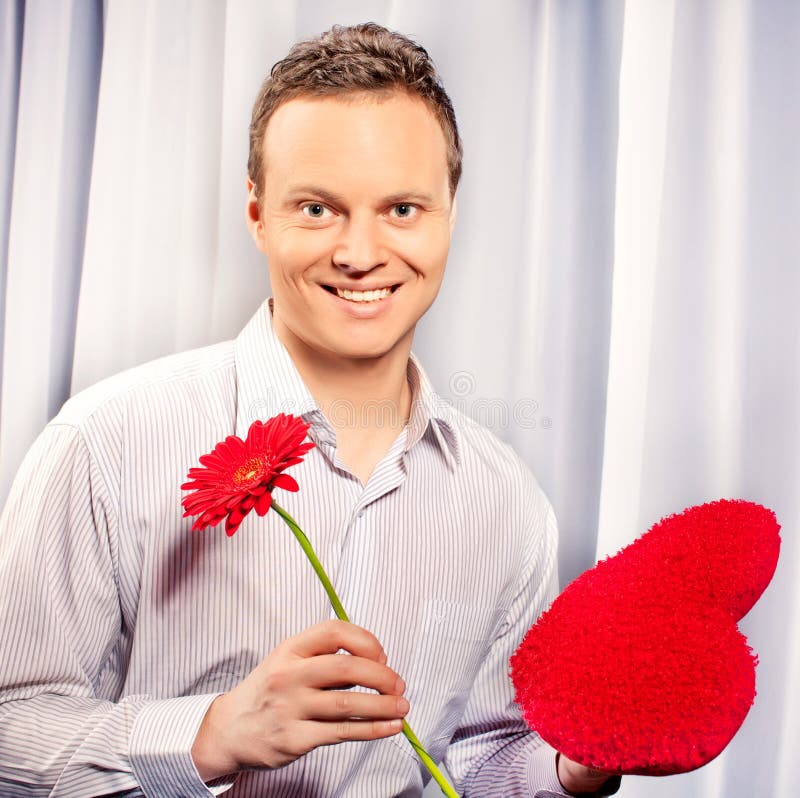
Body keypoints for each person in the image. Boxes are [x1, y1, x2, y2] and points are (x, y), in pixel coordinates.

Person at [0, 23, 620, 797]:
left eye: (401, 208)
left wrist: (575, 765)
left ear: (449, 214)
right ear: (258, 214)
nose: (361, 253)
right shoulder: (105, 443)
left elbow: (483, 759)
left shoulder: (507, 501)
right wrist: (207, 735)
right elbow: (9, 726)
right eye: (318, 209)